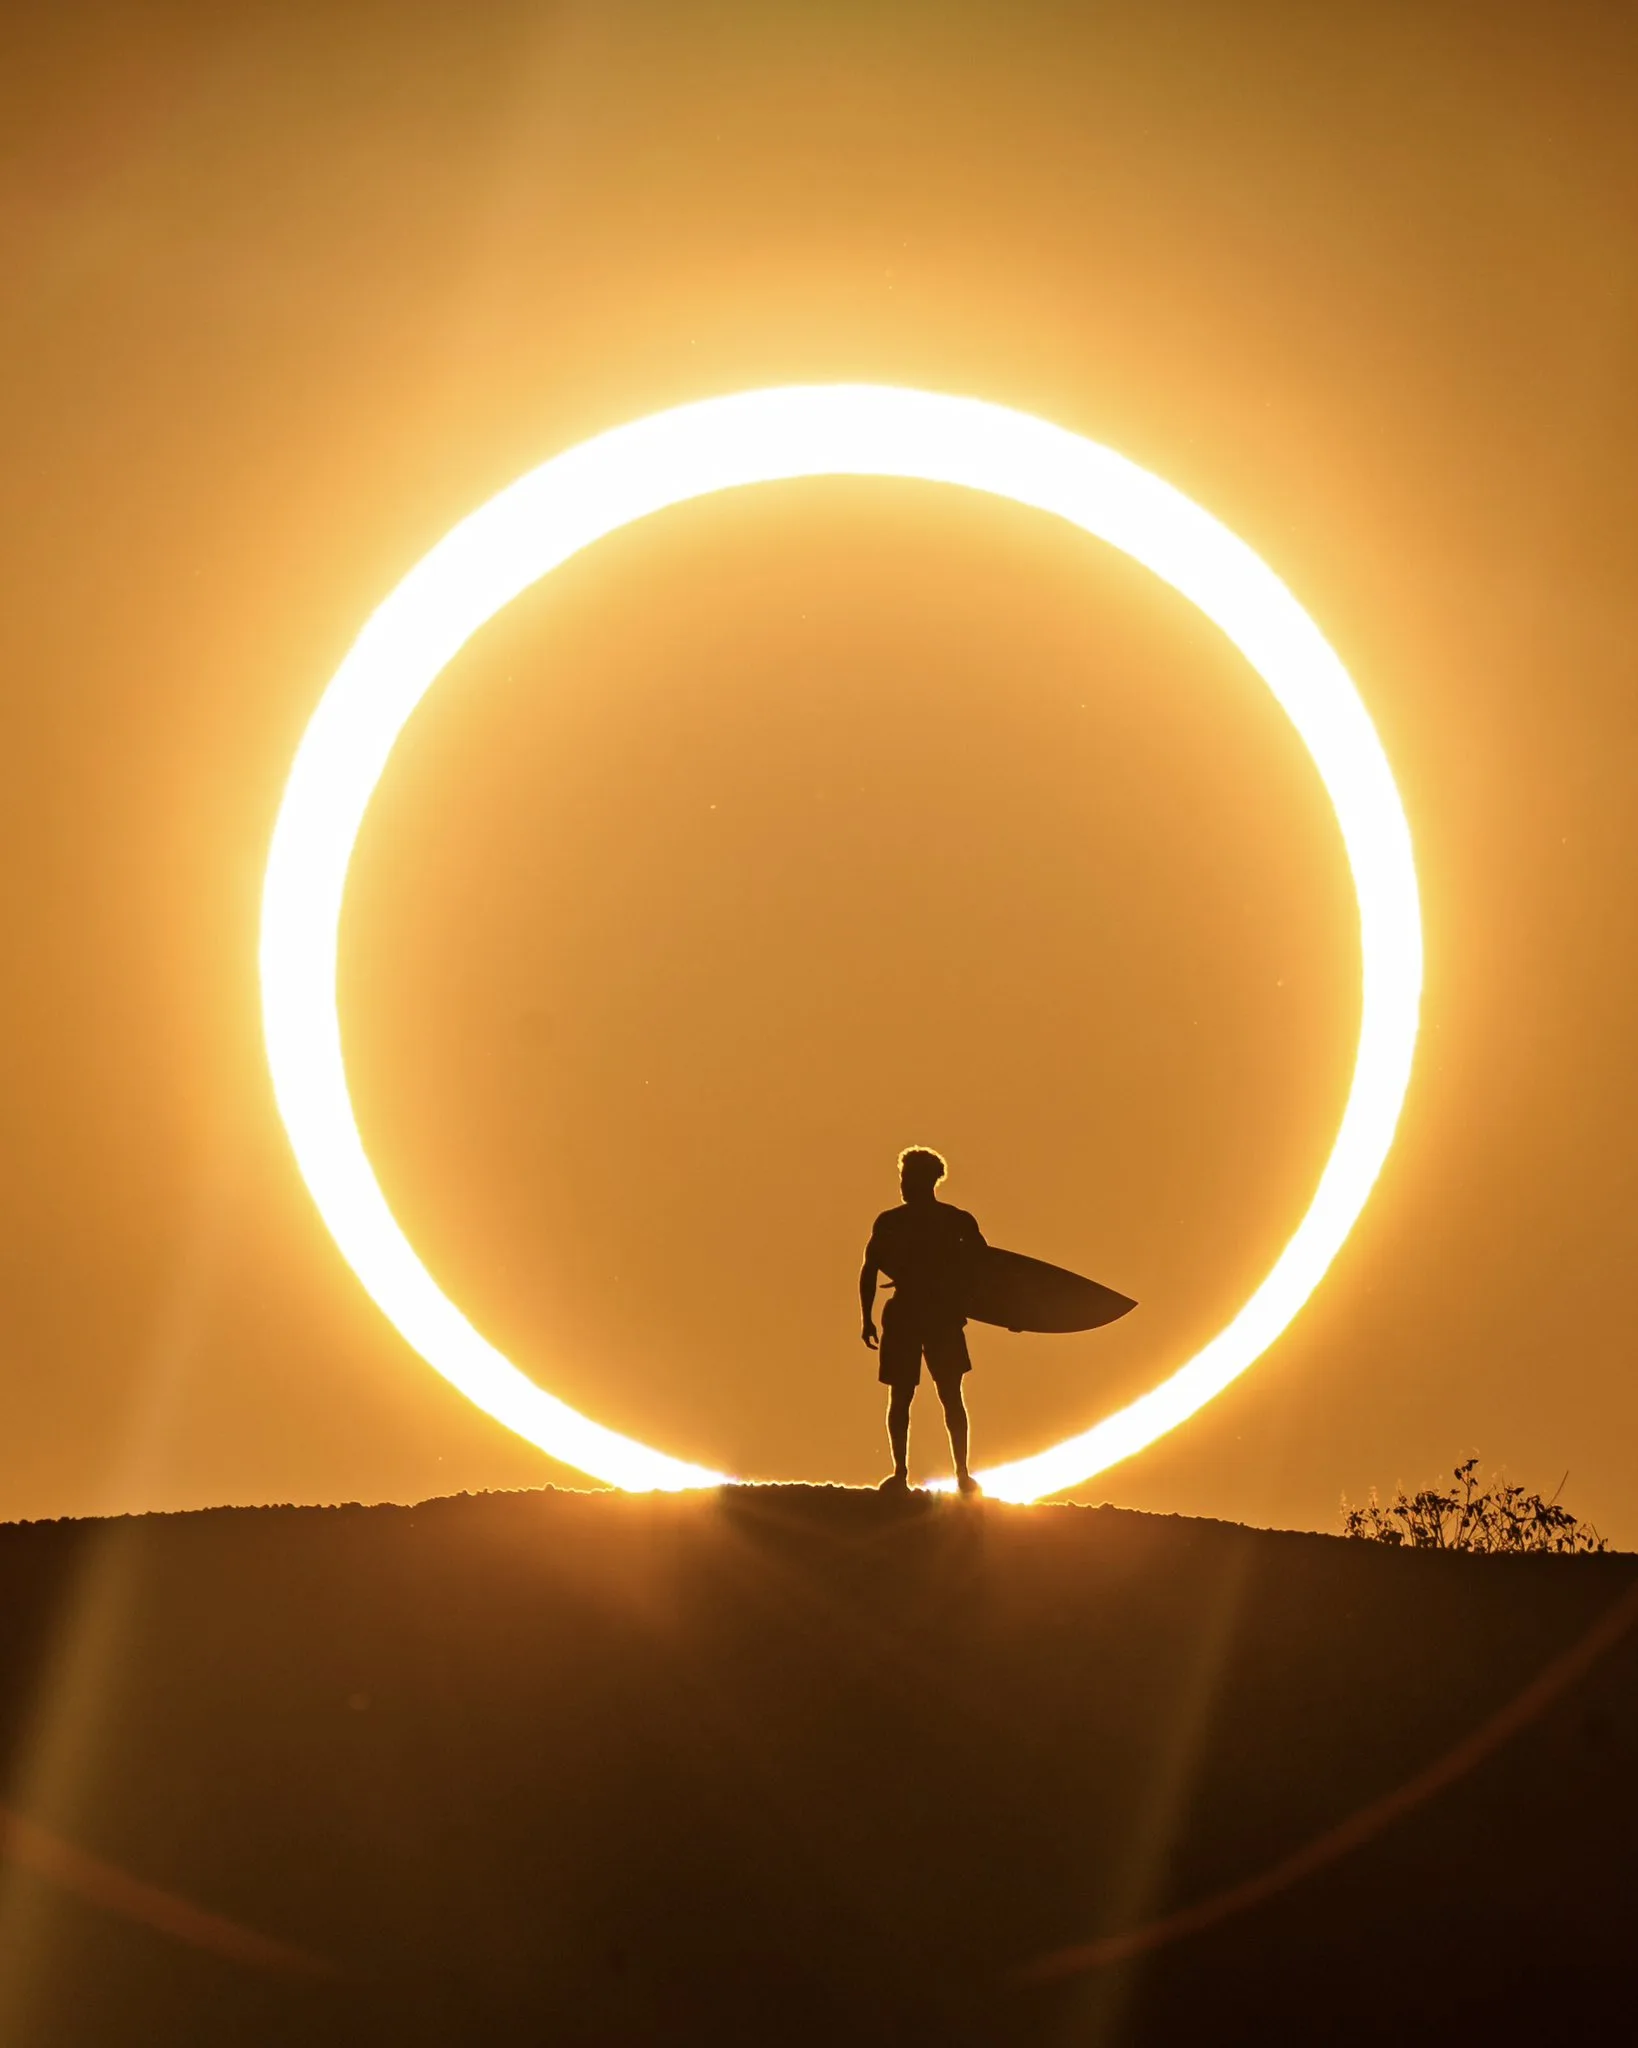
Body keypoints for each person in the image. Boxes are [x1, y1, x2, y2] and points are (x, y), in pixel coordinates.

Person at [859, 1147, 984, 1495]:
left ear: (925, 1181)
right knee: (903, 1397)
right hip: (911, 1317)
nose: (902, 1185)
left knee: (948, 1395)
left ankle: (961, 1474)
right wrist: (866, 1317)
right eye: (902, 1178)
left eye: (907, 1178)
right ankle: (901, 1473)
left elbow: (984, 1269)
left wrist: (1002, 1310)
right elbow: (869, 1269)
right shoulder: (893, 1221)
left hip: (938, 1316)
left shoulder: (956, 1221)